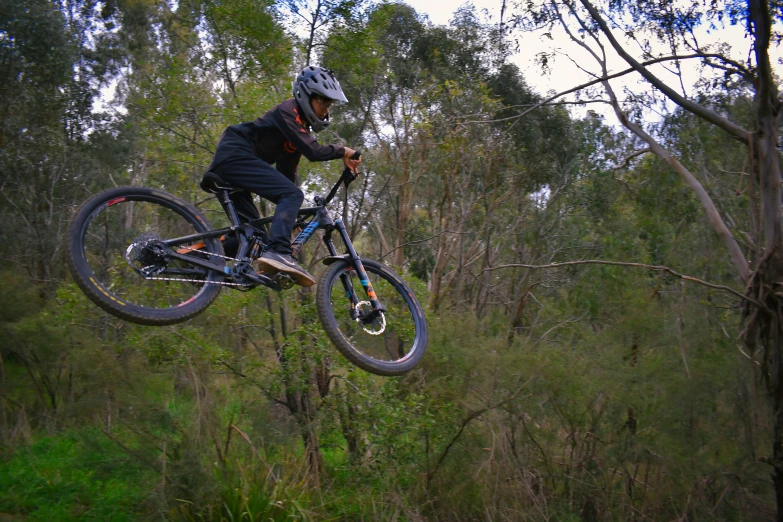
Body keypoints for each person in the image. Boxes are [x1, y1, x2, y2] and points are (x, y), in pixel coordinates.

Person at [203, 66, 361, 287]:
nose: (326, 110)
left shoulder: (296, 132)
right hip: (234, 156)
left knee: (255, 240)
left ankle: (197, 258)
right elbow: (313, 153)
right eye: (323, 102)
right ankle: (280, 253)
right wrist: (343, 150)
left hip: (233, 168)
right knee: (291, 198)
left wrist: (292, 218)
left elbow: (285, 175)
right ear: (306, 96)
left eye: (329, 105)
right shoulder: (288, 111)